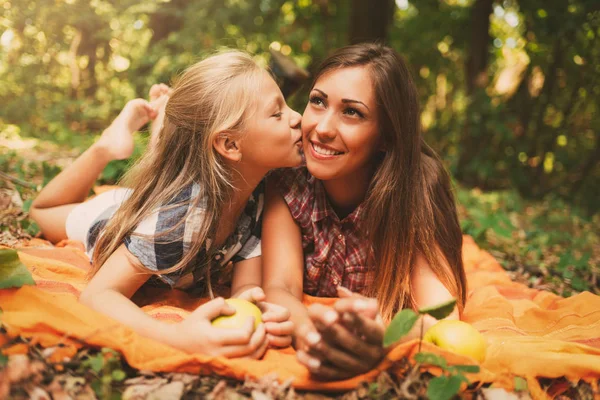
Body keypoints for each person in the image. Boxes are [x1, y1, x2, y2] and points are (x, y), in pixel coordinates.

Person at [29, 50, 302, 359]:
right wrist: (176, 337)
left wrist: (253, 307)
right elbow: (98, 294)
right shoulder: (183, 218)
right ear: (230, 144)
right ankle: (106, 146)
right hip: (110, 215)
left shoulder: (259, 195)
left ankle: (160, 130)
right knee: (39, 212)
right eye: (277, 113)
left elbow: (246, 285)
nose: (298, 118)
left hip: (154, 207)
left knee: (159, 193)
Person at [262, 43, 468, 379]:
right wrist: (313, 338)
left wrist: (385, 344)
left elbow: (440, 315)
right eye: (318, 101)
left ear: (386, 136)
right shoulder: (287, 177)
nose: (323, 128)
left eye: (352, 112)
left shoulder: (417, 189)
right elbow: (280, 286)